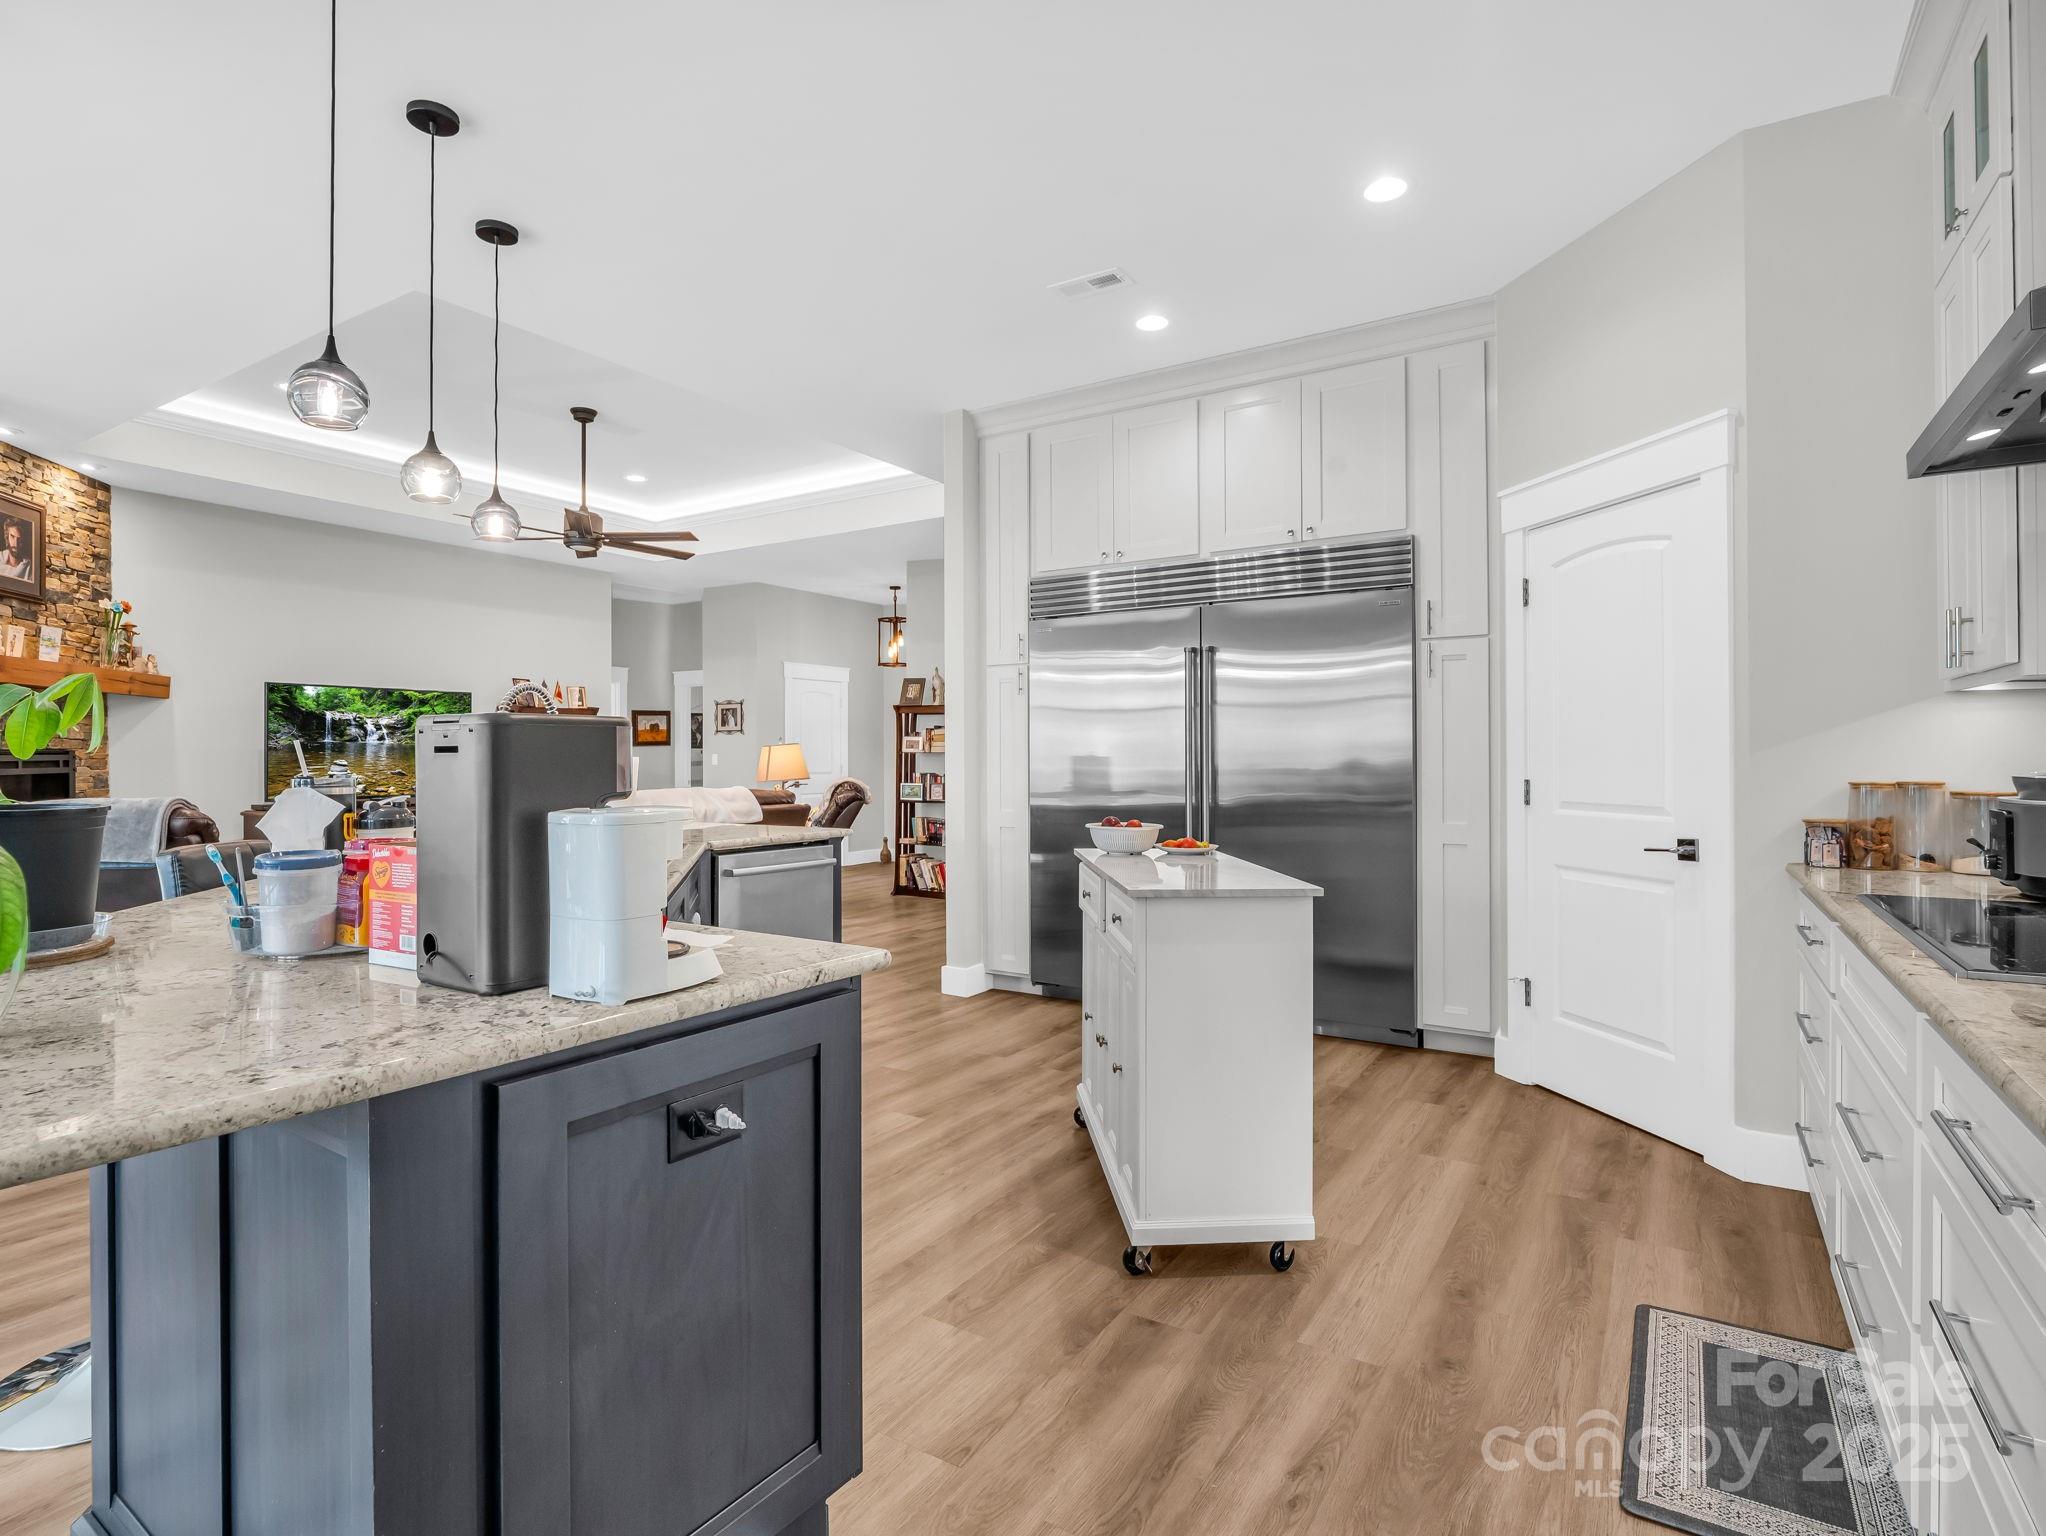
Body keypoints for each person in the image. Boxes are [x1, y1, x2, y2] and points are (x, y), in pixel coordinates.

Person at [0, 518, 30, 582]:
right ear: (7, 537)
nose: (15, 544)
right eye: (12, 536)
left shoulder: (29, 568)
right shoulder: (0, 558)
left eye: (19, 539)